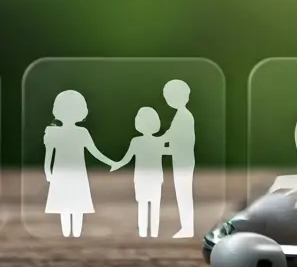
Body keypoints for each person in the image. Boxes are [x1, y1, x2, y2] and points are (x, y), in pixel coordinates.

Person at [43, 90, 116, 237]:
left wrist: (110, 162)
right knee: (67, 204)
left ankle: (75, 233)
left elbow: (94, 152)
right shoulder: (55, 133)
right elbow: (49, 156)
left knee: (74, 203)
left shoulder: (80, 133)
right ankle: (69, 233)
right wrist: (48, 172)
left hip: (74, 174)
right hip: (65, 174)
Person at [108, 106, 168, 237]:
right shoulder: (157, 141)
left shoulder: (138, 142)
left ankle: (145, 231)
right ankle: (152, 231)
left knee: (144, 204)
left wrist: (116, 165)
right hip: (151, 178)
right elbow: (169, 151)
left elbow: (126, 159)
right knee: (152, 205)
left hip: (145, 179)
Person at [160, 79, 195, 238]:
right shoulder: (180, 116)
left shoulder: (184, 117)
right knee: (182, 194)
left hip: (183, 161)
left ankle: (187, 227)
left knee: (184, 194)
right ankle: (186, 226)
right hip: (180, 160)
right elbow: (169, 135)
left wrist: (163, 149)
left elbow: (184, 142)